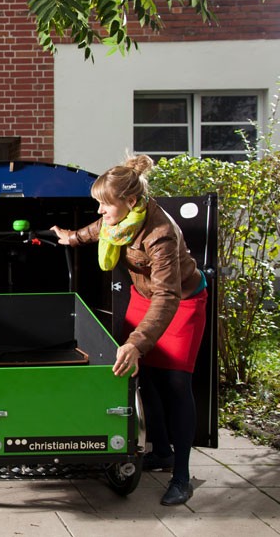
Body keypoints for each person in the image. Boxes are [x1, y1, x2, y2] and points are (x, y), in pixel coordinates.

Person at [51, 154, 207, 507]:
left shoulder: (161, 235)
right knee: (142, 376)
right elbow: (101, 229)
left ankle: (181, 477)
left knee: (176, 383)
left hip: (181, 302)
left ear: (131, 202)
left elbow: (168, 296)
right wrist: (72, 238)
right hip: (143, 297)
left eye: (105, 205)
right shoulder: (122, 219)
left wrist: (137, 341)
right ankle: (161, 451)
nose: (101, 211)